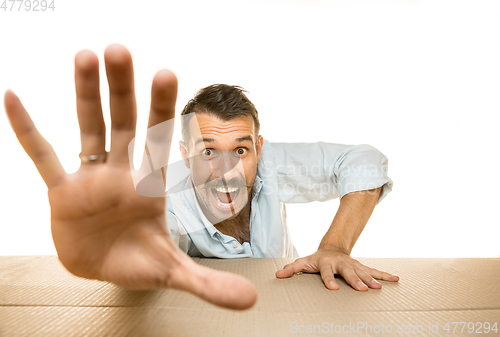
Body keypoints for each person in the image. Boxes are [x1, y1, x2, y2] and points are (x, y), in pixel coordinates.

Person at [3, 44, 399, 311]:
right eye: (207, 152)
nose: (226, 172)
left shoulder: (271, 161)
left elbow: (363, 161)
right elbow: (153, 242)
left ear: (259, 148)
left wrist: (335, 246)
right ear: (183, 154)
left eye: (240, 151)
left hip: (289, 311)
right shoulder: (163, 199)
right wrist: (116, 246)